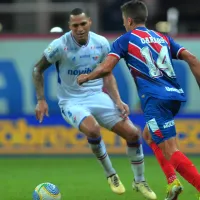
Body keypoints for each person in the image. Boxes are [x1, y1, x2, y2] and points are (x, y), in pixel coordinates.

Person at [77, 1, 200, 200]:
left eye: (125, 21)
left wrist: (87, 77)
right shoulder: (162, 37)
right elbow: (192, 59)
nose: (124, 25)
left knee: (170, 150)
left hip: (155, 100)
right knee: (149, 136)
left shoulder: (125, 39)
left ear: (129, 20)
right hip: (174, 96)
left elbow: (107, 67)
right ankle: (172, 182)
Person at [32, 8, 157, 200]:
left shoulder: (100, 43)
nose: (80, 28)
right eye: (75, 25)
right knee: (93, 130)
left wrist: (117, 100)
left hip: (98, 96)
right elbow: (37, 69)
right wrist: (41, 100)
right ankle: (111, 174)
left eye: (83, 24)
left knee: (133, 134)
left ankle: (139, 180)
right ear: (69, 27)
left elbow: (107, 74)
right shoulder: (59, 45)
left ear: (89, 22)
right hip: (71, 101)